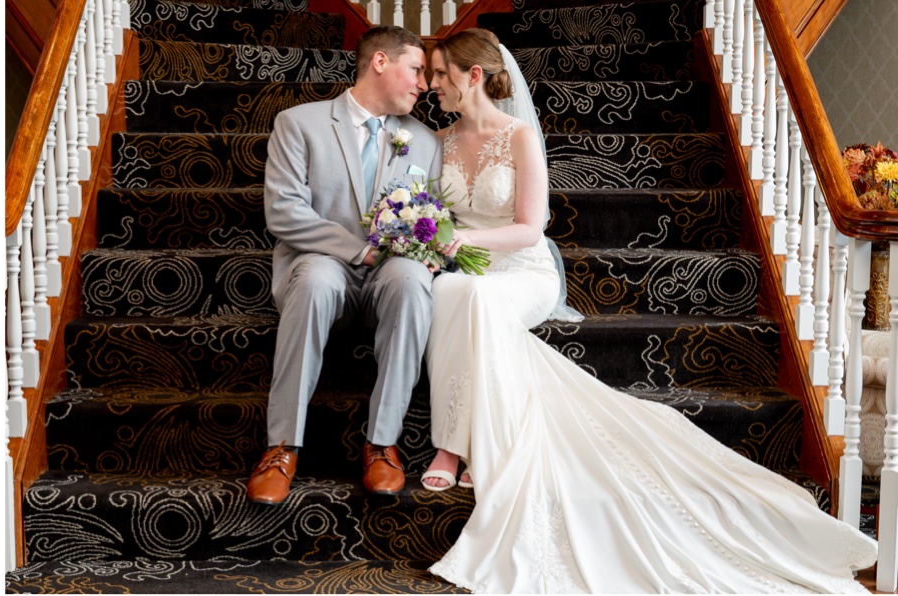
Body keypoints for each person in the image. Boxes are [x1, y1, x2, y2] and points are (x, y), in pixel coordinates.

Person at [421, 28, 874, 592]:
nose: (430, 83)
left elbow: (529, 228)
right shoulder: (435, 141)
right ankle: (462, 441)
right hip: (467, 270)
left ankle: (457, 448)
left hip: (521, 270)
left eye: (440, 73)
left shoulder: (517, 137)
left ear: (473, 76)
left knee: (476, 296)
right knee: (450, 292)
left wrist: (457, 245)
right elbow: (428, 214)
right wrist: (427, 239)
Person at [253, 25, 444, 504]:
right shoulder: (298, 124)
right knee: (317, 279)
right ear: (380, 62)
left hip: (389, 273)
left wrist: (427, 253)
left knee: (413, 279)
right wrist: (357, 250)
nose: (423, 84)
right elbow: (284, 213)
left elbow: (433, 218)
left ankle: (382, 443)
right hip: (323, 264)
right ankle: (282, 446)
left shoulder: (425, 141)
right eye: (416, 70)